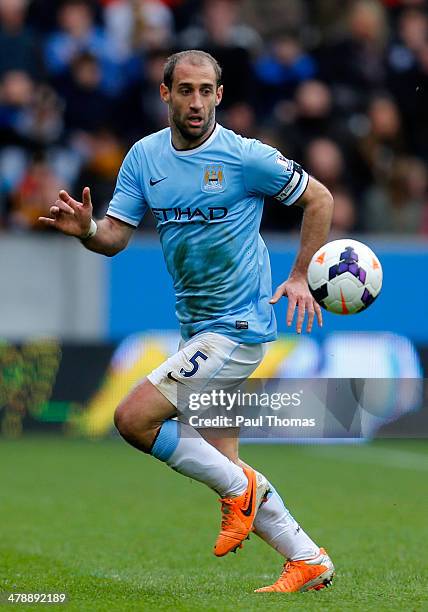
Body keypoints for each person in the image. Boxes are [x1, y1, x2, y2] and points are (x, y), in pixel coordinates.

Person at [39, 50, 335, 594]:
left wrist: (299, 276)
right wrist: (86, 230)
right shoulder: (144, 157)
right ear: (165, 94)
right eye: (185, 90)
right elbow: (115, 238)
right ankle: (307, 556)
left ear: (220, 95)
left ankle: (242, 495)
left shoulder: (246, 157)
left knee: (133, 419)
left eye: (206, 91)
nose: (196, 101)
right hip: (197, 329)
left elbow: (319, 197)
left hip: (239, 328)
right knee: (224, 464)